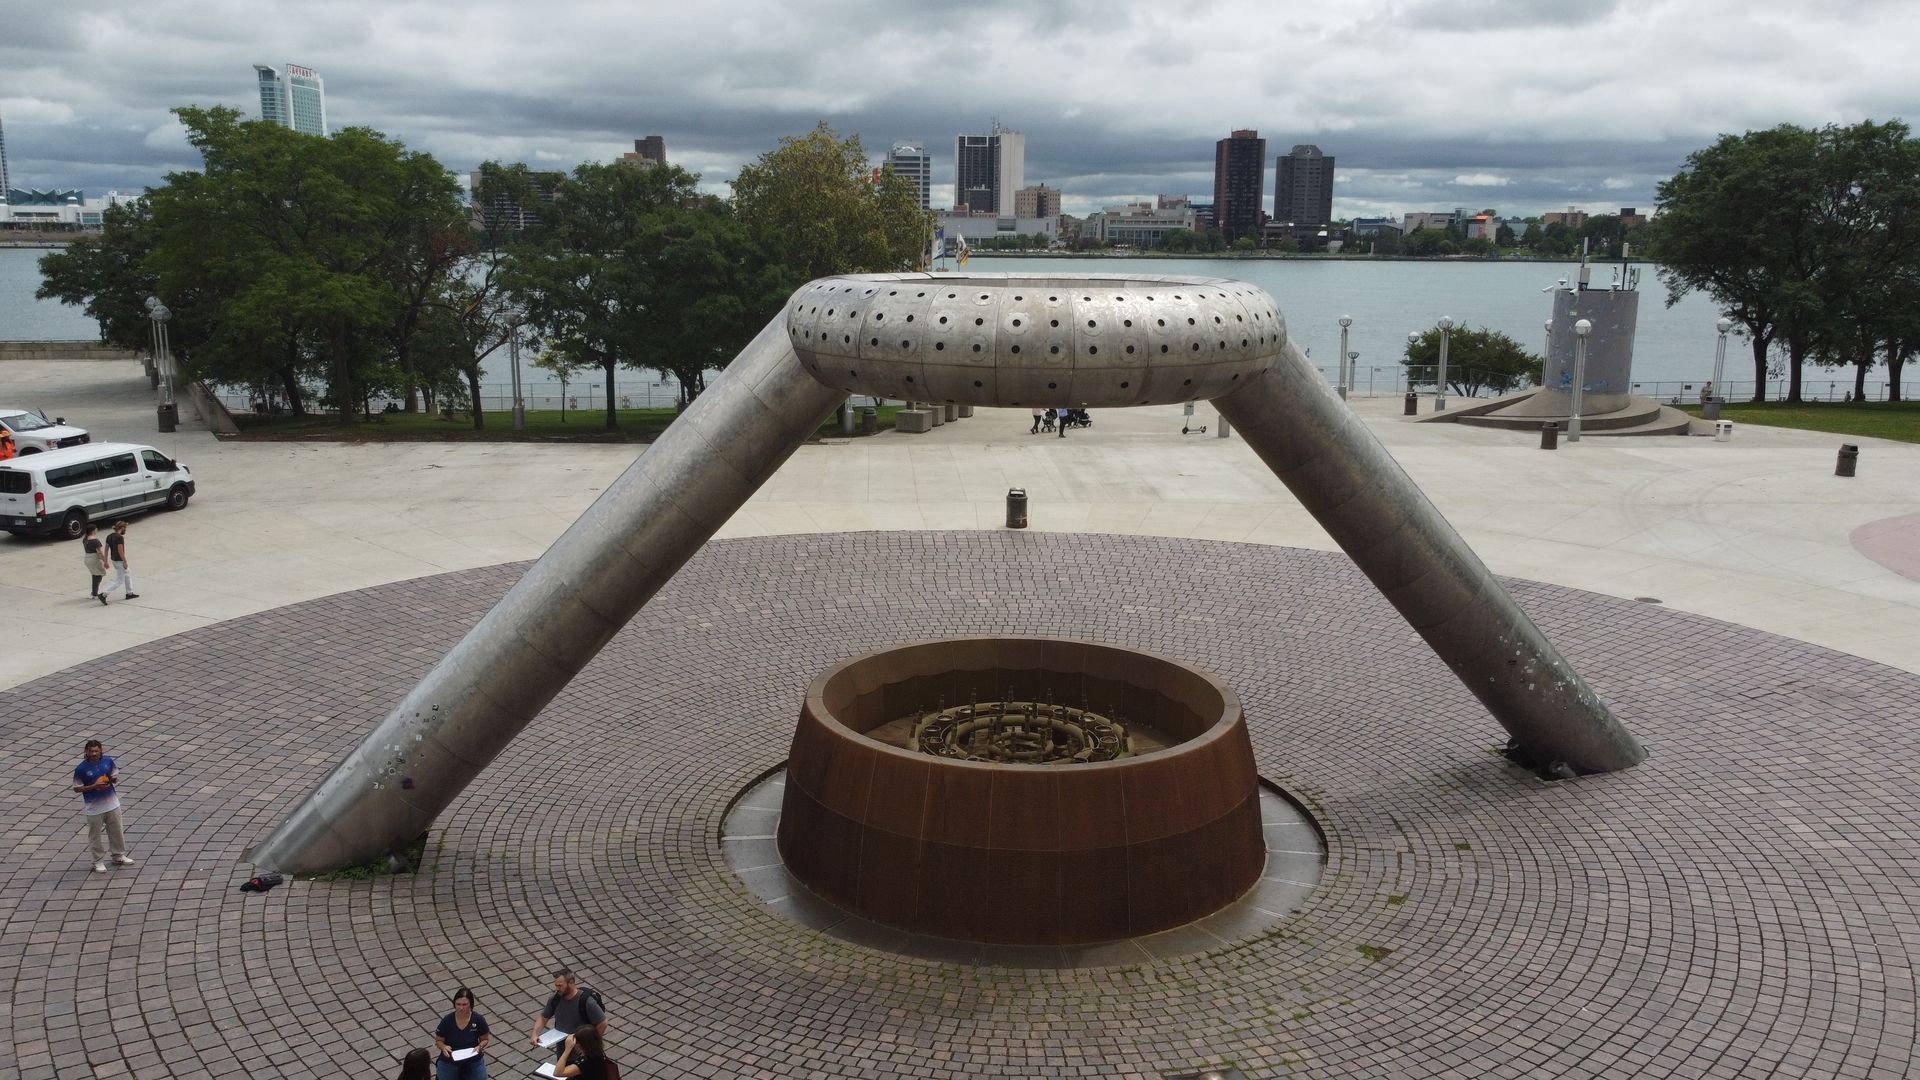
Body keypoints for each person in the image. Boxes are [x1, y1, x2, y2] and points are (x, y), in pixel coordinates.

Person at [72, 739, 133, 872]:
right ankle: (97, 861)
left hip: (112, 804)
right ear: (86, 752)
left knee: (117, 831)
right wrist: (94, 786)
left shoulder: (107, 761)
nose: (94, 754)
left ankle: (118, 855)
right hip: (94, 808)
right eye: (91, 751)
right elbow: (77, 788)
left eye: (96, 751)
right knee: (95, 836)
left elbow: (115, 776)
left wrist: (111, 779)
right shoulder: (81, 769)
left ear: (101, 751)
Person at [529, 969, 606, 1051]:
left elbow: (603, 1023)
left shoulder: (587, 1002)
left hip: (582, 1052)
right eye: (556, 985)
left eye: (560, 986)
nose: (557, 989)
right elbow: (543, 1018)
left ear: (571, 982)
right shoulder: (555, 999)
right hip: (562, 1050)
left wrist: (589, 1045)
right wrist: (534, 1034)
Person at [433, 987, 491, 1079]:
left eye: (464, 1004)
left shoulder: (479, 1019)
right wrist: (443, 1047)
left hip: (473, 1059)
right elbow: (439, 1041)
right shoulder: (447, 1020)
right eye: (458, 1004)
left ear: (470, 1004)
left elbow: (485, 1039)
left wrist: (479, 1047)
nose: (461, 1008)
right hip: (450, 1059)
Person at [553, 1027, 618, 1080]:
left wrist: (567, 1050)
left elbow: (558, 1073)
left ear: (581, 1045)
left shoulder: (585, 1062)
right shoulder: (597, 1051)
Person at [98, 520, 138, 604]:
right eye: (125, 528)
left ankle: (129, 593)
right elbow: (120, 550)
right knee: (119, 580)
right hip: (119, 561)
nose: (125, 530)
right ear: (122, 528)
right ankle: (104, 594)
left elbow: (106, 549)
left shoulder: (109, 536)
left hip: (114, 560)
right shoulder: (119, 537)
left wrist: (105, 561)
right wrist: (125, 561)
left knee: (127, 574)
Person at [81, 524, 107, 599]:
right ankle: (94, 593)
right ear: (93, 531)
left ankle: (94, 592)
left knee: (95, 574)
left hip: (87, 558)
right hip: (94, 559)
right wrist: (104, 560)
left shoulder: (85, 539)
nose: (97, 530)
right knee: (98, 575)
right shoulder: (95, 540)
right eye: (96, 529)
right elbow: (99, 552)